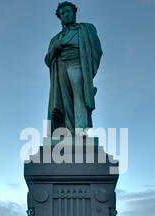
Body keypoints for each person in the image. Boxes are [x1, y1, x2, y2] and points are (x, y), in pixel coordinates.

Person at [45, 2, 103, 136]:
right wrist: (56, 47)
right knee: (65, 100)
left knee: (79, 96)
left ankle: (81, 130)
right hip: (60, 65)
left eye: (68, 12)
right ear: (60, 17)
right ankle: (69, 132)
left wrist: (89, 72)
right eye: (62, 14)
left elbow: (97, 50)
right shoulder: (55, 39)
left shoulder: (86, 29)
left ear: (74, 13)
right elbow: (48, 60)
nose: (65, 15)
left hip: (77, 62)